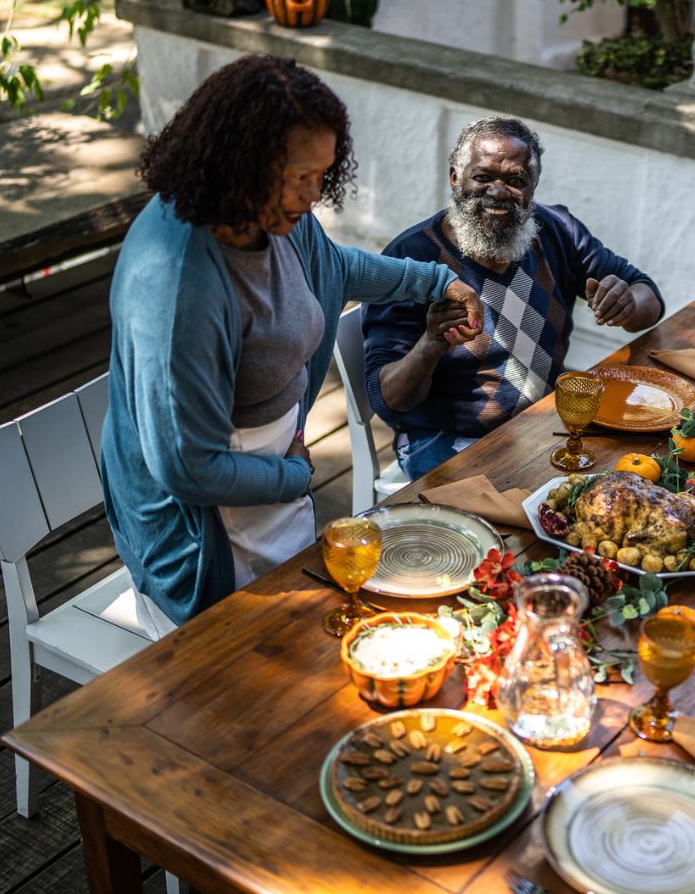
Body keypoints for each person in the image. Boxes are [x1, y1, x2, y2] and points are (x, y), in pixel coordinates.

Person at [102, 55, 482, 637]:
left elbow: (333, 268)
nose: (314, 195)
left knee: (298, 637)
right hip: (202, 529)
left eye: (321, 175)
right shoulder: (179, 284)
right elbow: (187, 467)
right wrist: (294, 478)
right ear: (240, 163)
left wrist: (434, 281)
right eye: (299, 177)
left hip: (279, 472)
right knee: (236, 674)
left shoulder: (269, 212)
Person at [362, 115, 664, 481]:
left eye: (515, 180)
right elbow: (389, 402)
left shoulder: (556, 230)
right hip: (447, 438)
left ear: (533, 187)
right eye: (483, 177)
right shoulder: (411, 260)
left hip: (544, 418)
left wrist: (628, 304)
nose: (499, 191)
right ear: (455, 179)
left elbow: (648, 296)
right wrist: (430, 345)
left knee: (641, 474)